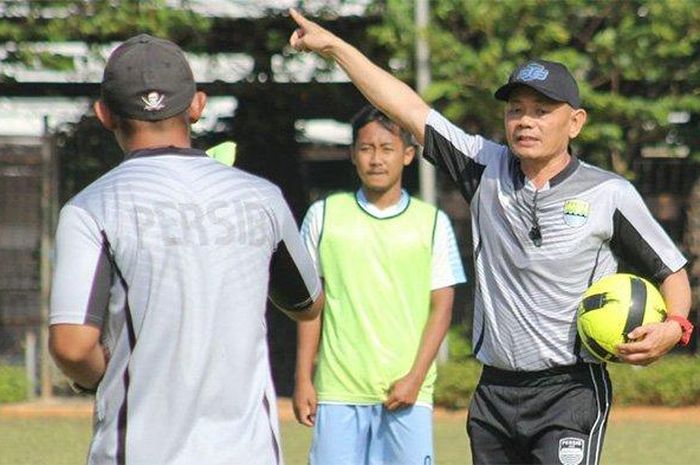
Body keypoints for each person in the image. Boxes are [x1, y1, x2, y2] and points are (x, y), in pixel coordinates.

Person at [287, 9, 694, 465]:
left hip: (569, 393)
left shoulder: (609, 193)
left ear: (575, 122)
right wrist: (335, 48)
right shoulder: (483, 169)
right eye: (516, 110)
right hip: (493, 393)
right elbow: (406, 107)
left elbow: (671, 271)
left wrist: (673, 327)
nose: (525, 121)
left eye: (541, 112)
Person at [49, 33, 324, 465]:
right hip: (247, 453)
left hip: (139, 451)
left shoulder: (91, 207)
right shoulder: (261, 197)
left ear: (104, 114)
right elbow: (308, 303)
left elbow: (71, 346)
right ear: (197, 105)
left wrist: (104, 379)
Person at [293, 104, 466, 465]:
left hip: (407, 393)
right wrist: (303, 379)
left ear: (406, 155)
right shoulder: (324, 216)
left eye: (386, 148)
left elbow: (442, 307)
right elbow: (310, 307)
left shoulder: (432, 223)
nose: (376, 159)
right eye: (366, 148)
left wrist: (415, 378)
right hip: (338, 391)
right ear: (353, 154)